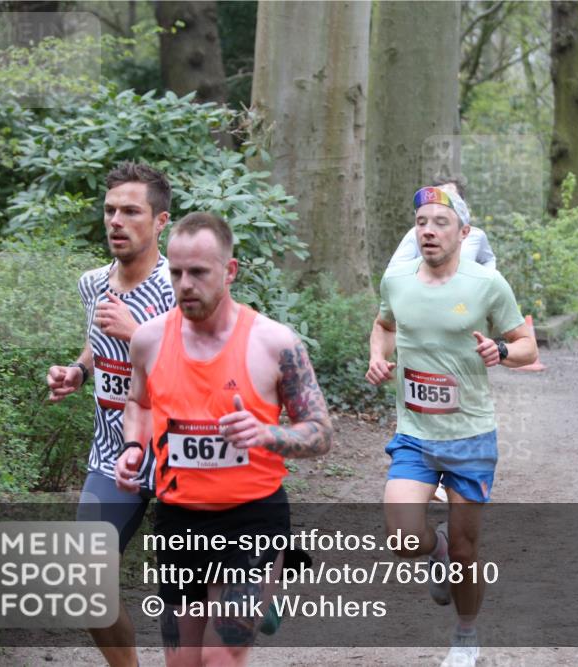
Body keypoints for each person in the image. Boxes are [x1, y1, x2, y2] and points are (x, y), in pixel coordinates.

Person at [114, 212, 333, 666]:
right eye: (175, 272)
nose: (185, 284)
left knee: (221, 656)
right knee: (182, 663)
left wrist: (266, 433)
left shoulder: (275, 343)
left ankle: (257, 597)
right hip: (179, 520)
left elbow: (320, 433)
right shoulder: (149, 340)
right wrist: (133, 447)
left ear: (229, 272)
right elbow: (138, 403)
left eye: (198, 272)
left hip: (252, 519)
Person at [366, 185, 537, 667]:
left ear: (464, 233)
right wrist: (379, 356)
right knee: (402, 539)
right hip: (415, 436)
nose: (428, 231)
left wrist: (500, 352)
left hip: (470, 437)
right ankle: (433, 544)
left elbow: (527, 345)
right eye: (421, 223)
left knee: (466, 551)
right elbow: (384, 324)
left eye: (440, 223)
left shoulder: (486, 285)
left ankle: (465, 636)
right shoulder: (397, 281)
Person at [46, 162, 174, 667]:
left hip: (178, 460)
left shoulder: (181, 288)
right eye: (110, 210)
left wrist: (138, 331)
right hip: (111, 455)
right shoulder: (93, 283)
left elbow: (205, 373)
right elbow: (96, 345)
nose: (116, 221)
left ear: (160, 221)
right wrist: (78, 371)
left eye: (131, 211)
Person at [387, 179, 496, 270]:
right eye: (439, 196)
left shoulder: (476, 235)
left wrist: (483, 283)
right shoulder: (418, 233)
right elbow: (395, 269)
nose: (443, 201)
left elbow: (488, 260)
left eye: (450, 196)